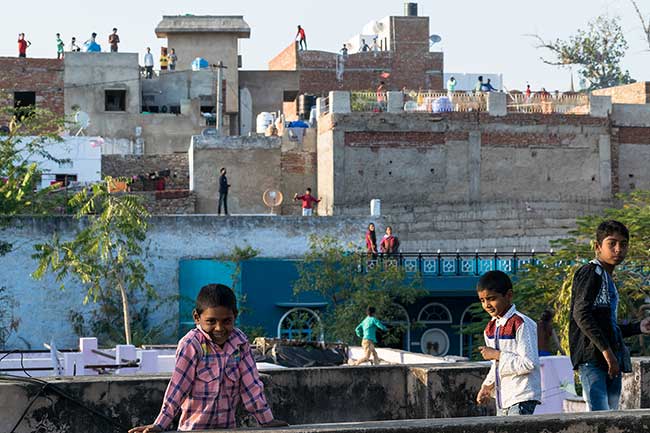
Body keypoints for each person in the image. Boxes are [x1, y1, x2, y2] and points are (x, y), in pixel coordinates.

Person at [128, 284, 288, 432]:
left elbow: (251, 385)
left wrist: (266, 420)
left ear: (235, 316)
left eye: (226, 321)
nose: (219, 328)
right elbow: (178, 387)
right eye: (211, 321)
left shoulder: (239, 343)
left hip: (227, 428)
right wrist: (159, 425)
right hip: (193, 429)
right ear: (197, 317)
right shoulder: (191, 344)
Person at [569, 220, 650, 411]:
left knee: (612, 416)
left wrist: (638, 327)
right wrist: (608, 353)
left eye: (623, 244)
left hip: (610, 360)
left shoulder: (607, 278)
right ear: (598, 247)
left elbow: (607, 326)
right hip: (594, 359)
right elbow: (581, 314)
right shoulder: (591, 272)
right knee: (600, 417)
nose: (618, 249)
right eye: (611, 243)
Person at [476, 270, 542, 416]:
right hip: (503, 399)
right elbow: (496, 365)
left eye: (491, 298)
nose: (487, 305)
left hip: (521, 396)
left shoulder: (521, 323)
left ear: (509, 295)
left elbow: (529, 363)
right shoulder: (490, 328)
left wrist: (497, 354)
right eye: (482, 300)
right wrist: (487, 386)